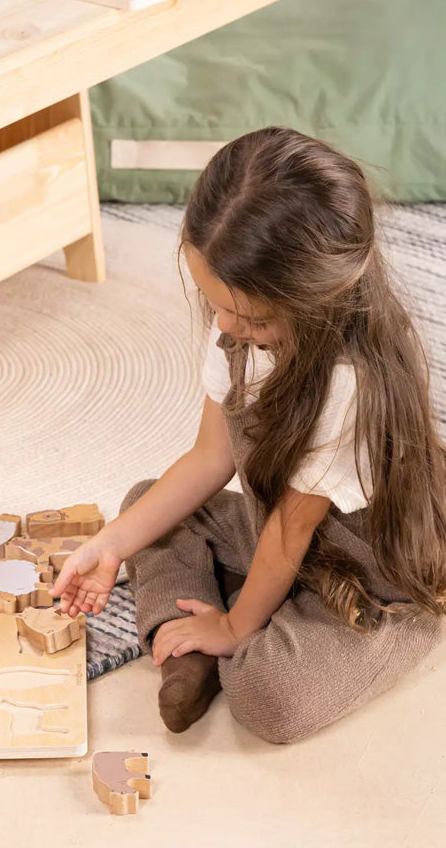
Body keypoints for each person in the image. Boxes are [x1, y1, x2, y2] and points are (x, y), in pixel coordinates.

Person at [50, 127, 446, 744]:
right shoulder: (237, 327)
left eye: (251, 317)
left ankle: (243, 633)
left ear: (318, 292)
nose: (226, 327)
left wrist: (236, 628)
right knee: (143, 506)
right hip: (275, 529)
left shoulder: (350, 384)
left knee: (268, 702)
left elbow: (294, 533)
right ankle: (197, 647)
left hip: (365, 574)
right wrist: (111, 545)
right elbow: (211, 458)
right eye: (217, 306)